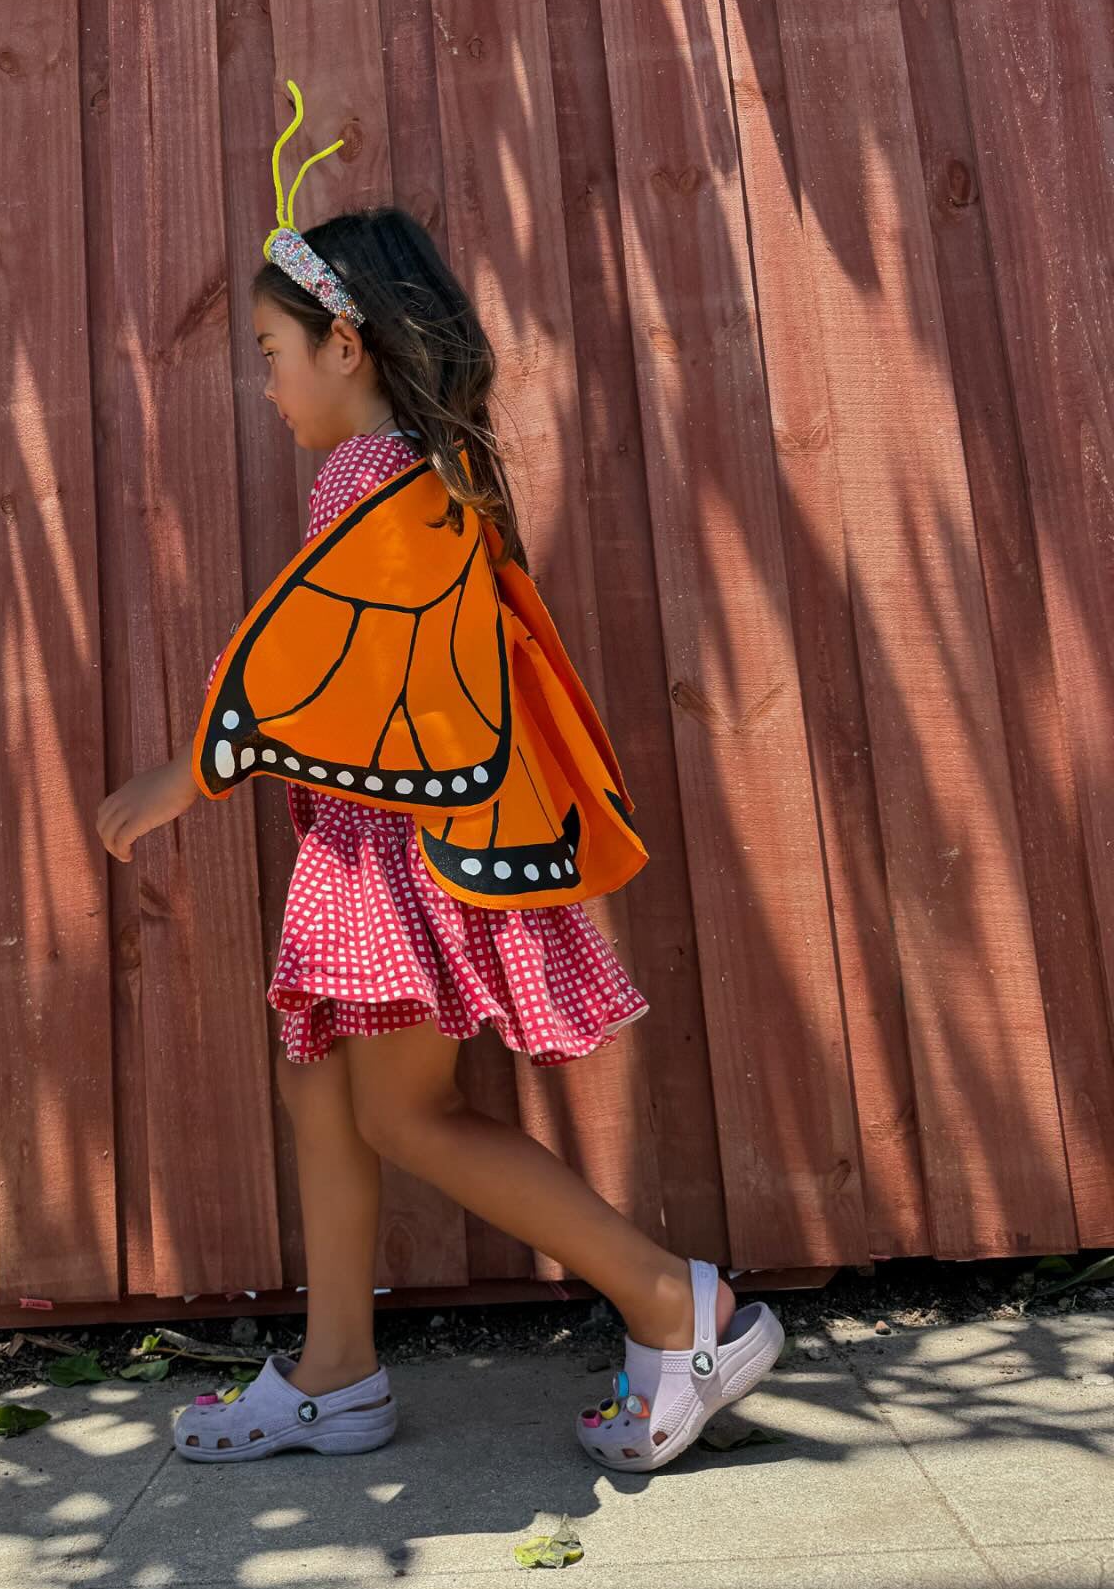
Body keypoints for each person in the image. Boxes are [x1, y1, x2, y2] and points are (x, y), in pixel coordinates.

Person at [95, 90, 784, 1473]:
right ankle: (337, 1373)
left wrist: (194, 768)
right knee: (318, 1081)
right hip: (373, 834)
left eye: (275, 352)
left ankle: (676, 1302)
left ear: (346, 343)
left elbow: (326, 655)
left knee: (401, 1111)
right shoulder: (401, 468)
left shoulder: (383, 483)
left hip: (402, 843)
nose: (268, 381)